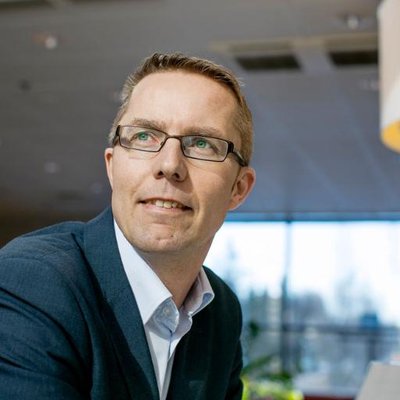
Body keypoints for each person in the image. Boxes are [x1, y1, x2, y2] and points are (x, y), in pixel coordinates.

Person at [0, 52, 256, 399]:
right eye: (145, 136)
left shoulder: (221, 311)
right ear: (112, 166)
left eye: (201, 144)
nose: (169, 165)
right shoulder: (34, 282)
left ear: (238, 189)